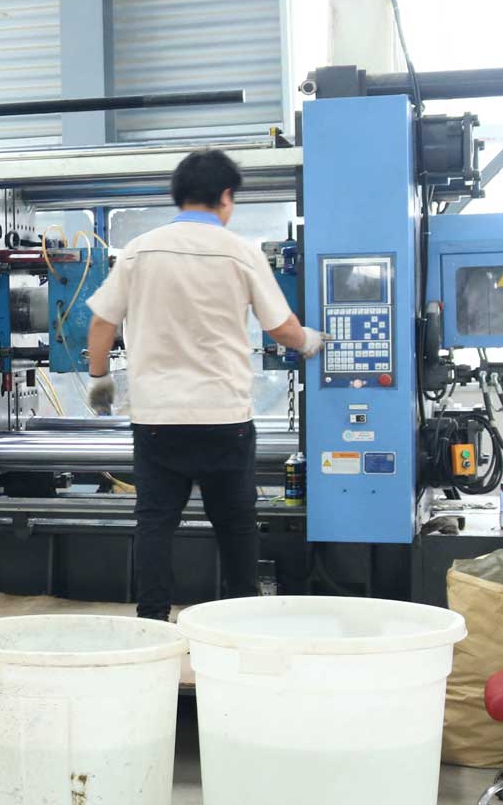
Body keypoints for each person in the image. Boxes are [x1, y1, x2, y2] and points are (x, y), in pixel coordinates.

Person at [82, 150, 327, 622]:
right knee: (236, 526)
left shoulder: (139, 250)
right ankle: (240, 620)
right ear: (226, 197)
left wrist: (100, 379)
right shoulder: (240, 252)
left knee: (155, 523)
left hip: (158, 419)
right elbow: (282, 329)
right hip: (224, 418)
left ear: (180, 196)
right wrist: (312, 341)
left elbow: (101, 324)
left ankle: (153, 622)